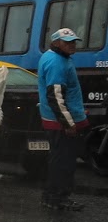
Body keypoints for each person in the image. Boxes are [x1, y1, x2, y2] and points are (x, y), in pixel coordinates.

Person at [38, 27, 87, 211]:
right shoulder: (56, 62)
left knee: (59, 159)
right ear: (56, 43)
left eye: (73, 42)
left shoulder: (56, 58)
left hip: (58, 119)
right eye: (67, 42)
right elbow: (55, 96)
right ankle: (57, 197)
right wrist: (67, 123)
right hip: (60, 122)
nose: (72, 45)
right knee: (64, 161)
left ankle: (51, 196)